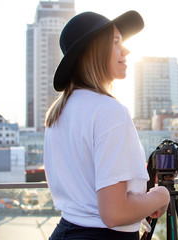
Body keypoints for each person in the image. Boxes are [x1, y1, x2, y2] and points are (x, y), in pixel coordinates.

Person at [44, 11, 170, 240]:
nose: (126, 49)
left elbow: (84, 182)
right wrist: (161, 195)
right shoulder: (110, 111)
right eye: (115, 42)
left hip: (64, 232)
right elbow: (114, 213)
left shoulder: (58, 113)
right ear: (93, 50)